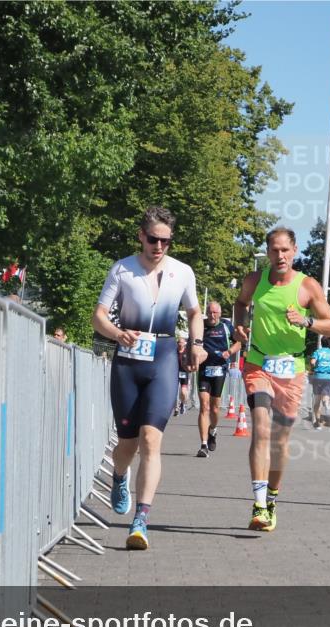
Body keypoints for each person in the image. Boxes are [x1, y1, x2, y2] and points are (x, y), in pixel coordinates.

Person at [92, 206, 206, 550]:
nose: (159, 247)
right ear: (142, 236)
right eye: (154, 239)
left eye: (166, 241)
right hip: (128, 361)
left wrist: (197, 344)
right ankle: (118, 476)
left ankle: (141, 519)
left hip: (165, 358)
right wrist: (116, 333)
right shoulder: (122, 269)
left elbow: (194, 311)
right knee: (126, 444)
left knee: (151, 440)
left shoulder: (182, 272)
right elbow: (97, 316)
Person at [232, 227, 330, 531]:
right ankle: (259, 504)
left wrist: (306, 320)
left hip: (292, 370)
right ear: (268, 253)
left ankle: (273, 498)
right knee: (261, 429)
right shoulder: (255, 281)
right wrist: (240, 327)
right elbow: (240, 304)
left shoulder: (307, 287)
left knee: (280, 441)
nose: (280, 256)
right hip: (258, 363)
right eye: (274, 250)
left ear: (294, 251)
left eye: (285, 250)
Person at [196, 301, 241, 457]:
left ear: (220, 313)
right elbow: (192, 343)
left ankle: (213, 431)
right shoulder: (200, 326)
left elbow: (239, 343)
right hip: (203, 369)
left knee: (215, 409)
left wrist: (229, 352)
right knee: (204, 406)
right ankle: (203, 445)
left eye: (215, 312)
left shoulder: (226, 326)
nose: (212, 315)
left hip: (219, 370)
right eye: (209, 312)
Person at [309, 338, 330, 429]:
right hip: (328, 377)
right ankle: (326, 404)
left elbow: (312, 362)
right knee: (326, 394)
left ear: (321, 343)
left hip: (318, 376)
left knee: (317, 401)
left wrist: (314, 368)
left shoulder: (317, 352)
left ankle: (318, 423)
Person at [175, 333, 191, 416]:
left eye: (181, 342)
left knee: (184, 392)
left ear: (184, 343)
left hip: (184, 374)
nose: (180, 344)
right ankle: (176, 408)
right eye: (178, 342)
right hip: (174, 373)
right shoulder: (174, 351)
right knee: (174, 392)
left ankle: (183, 404)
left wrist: (190, 367)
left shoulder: (187, 352)